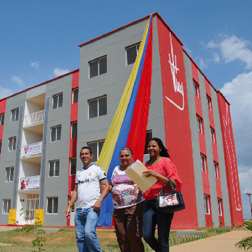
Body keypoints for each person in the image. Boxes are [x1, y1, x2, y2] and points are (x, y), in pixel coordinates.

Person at [64, 146, 110, 252]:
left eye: (86, 154)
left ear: (91, 156)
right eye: (82, 154)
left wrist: (99, 201)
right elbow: (75, 191)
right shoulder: (79, 173)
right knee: (80, 237)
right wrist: (69, 206)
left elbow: (106, 186)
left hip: (92, 208)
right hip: (79, 209)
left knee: (89, 233)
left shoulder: (97, 169)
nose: (84, 156)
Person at [142, 138, 182, 252]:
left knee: (163, 238)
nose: (151, 148)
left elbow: (173, 182)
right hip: (149, 203)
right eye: (149, 146)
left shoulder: (166, 161)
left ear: (160, 148)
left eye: (154, 146)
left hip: (165, 201)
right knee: (147, 235)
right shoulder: (146, 164)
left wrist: (156, 174)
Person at [109, 148, 145, 252]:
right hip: (118, 208)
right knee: (122, 235)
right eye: (122, 156)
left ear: (132, 157)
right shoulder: (116, 169)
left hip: (134, 206)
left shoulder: (136, 168)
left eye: (127, 155)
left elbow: (145, 183)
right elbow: (112, 185)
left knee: (132, 232)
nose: (124, 158)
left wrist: (142, 187)